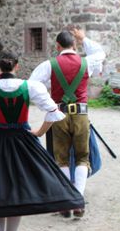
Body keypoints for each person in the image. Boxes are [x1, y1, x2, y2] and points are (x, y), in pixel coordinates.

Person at [0, 50, 85, 231]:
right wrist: (39, 131)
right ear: (17, 66)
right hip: (22, 140)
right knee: (18, 191)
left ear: (0, 68)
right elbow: (54, 112)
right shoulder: (30, 87)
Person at [29, 28, 106, 218]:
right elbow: (101, 53)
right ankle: (77, 200)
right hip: (80, 115)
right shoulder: (86, 62)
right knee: (82, 158)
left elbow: (31, 85)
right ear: (74, 45)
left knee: (61, 158)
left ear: (57, 46)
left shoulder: (49, 64)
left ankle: (65, 201)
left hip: (59, 115)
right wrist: (84, 38)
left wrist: (47, 103)